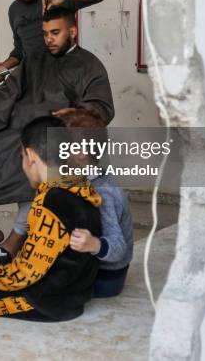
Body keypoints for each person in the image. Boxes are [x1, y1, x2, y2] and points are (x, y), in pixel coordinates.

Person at [0, 7, 114, 264]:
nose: (49, 39)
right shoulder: (34, 59)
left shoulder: (89, 65)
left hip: (51, 136)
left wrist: (74, 114)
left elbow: (102, 108)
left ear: (72, 31)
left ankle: (16, 237)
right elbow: (9, 90)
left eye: (55, 33)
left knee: (35, 173)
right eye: (46, 33)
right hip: (10, 129)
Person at [0, 116, 102, 322]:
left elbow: (28, 270)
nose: (23, 165)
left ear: (31, 156)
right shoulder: (82, 187)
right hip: (73, 298)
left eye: (22, 157)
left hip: (45, 302)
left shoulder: (52, 201)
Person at [62, 108, 133, 298]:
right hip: (94, 269)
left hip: (106, 278)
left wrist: (93, 244)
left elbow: (118, 248)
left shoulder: (102, 191)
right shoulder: (81, 178)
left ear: (81, 152)